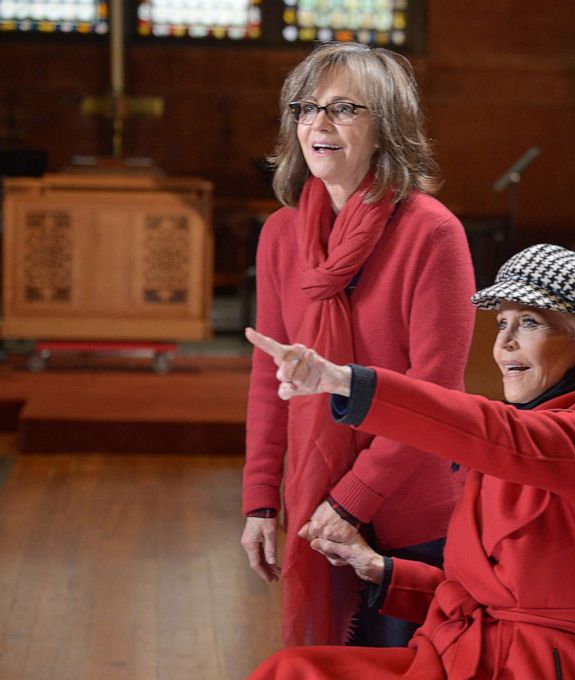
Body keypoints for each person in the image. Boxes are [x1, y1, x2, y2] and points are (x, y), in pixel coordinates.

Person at [246, 243, 575, 680]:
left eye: (530, 323)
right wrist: (380, 569)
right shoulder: (527, 429)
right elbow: (475, 600)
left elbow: (495, 433)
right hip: (460, 658)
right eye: (501, 324)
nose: (505, 342)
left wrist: (346, 381)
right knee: (292, 669)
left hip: (543, 667)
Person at [240, 41, 476, 648]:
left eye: (344, 109)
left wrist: (349, 503)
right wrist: (262, 499)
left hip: (410, 513)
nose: (317, 124)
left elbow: (434, 394)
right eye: (305, 107)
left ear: (387, 127)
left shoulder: (433, 233)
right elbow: (271, 382)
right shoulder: (281, 235)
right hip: (314, 508)